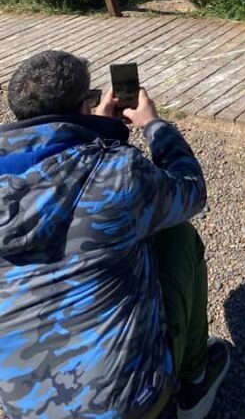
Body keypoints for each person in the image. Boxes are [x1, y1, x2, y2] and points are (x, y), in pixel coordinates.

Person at [0, 50, 230, 418]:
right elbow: (190, 189)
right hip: (126, 403)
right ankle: (194, 382)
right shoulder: (116, 173)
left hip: (25, 409)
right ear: (83, 106)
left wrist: (97, 131)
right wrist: (153, 125)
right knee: (176, 236)